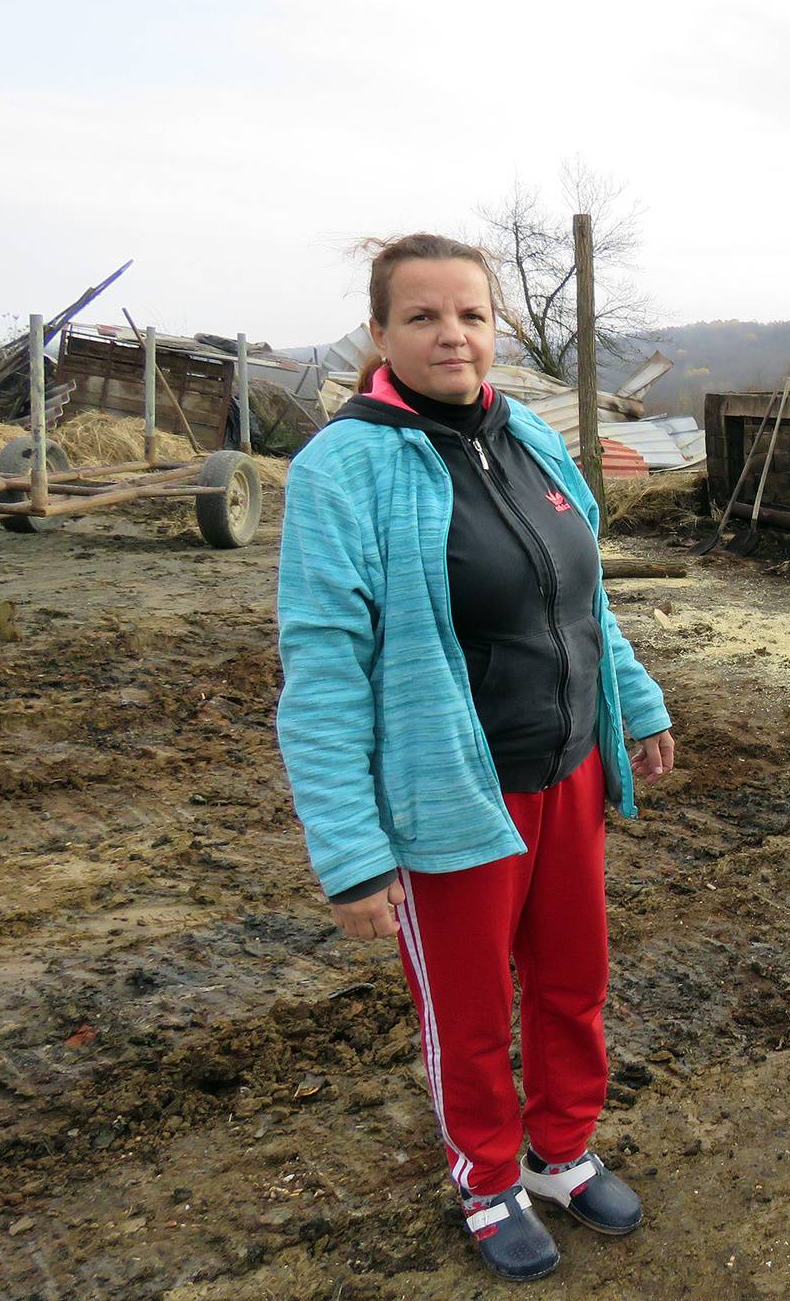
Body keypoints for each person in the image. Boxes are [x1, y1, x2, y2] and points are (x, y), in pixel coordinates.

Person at [276, 233, 676, 1282]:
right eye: (423, 316)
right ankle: (487, 1176)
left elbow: (583, 597)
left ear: (494, 327)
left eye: (471, 315)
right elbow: (320, 668)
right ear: (379, 332)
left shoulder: (533, 437)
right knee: (465, 1007)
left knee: (572, 978)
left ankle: (561, 1151)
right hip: (450, 789)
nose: (452, 335)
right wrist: (350, 849)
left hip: (570, 769)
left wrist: (633, 703)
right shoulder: (342, 467)